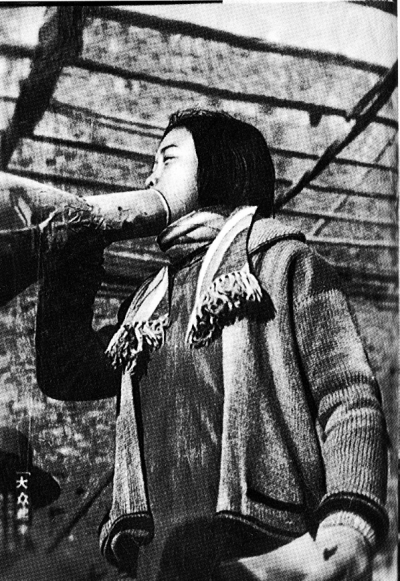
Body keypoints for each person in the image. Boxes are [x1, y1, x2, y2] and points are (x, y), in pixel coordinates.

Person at [35, 109, 388, 580]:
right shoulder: (146, 307)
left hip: (265, 550)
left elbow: (347, 396)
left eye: (168, 159)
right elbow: (65, 372)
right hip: (163, 562)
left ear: (221, 167)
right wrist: (74, 250)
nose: (150, 177)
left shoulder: (283, 264)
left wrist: (348, 529)